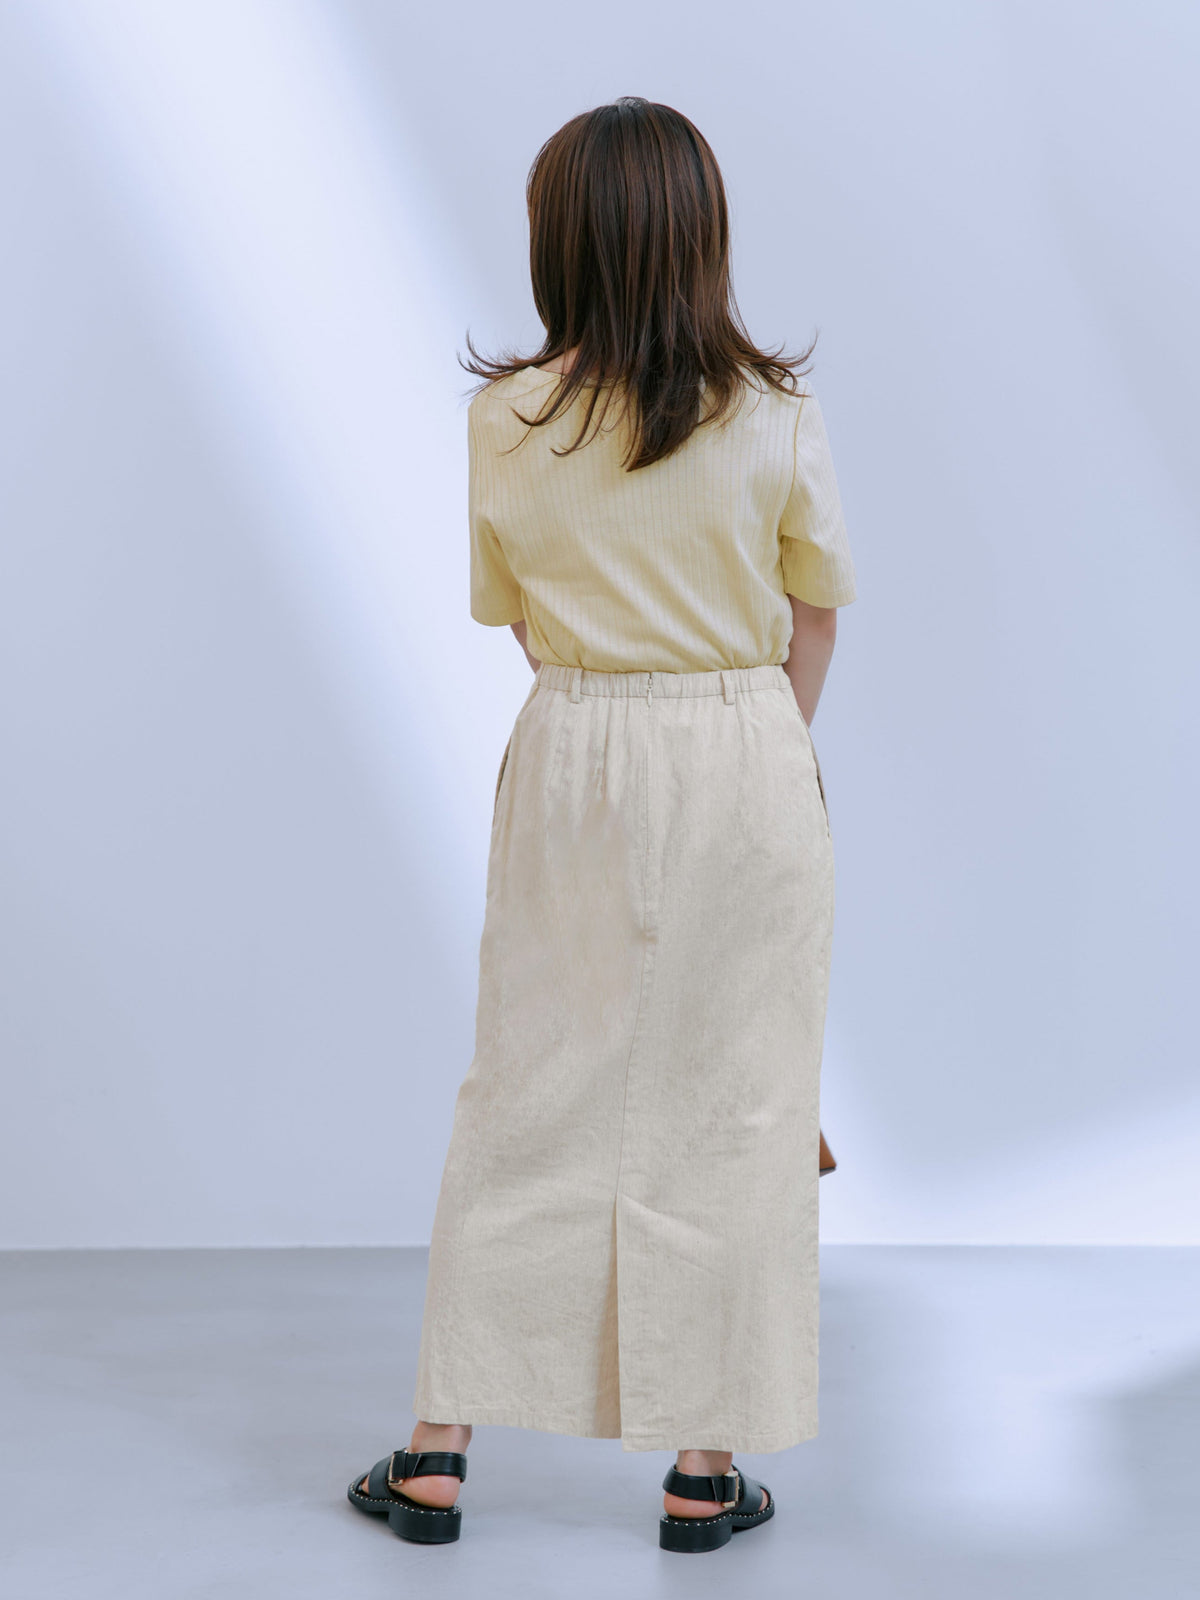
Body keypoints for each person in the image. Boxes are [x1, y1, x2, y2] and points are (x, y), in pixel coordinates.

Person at [348, 94, 857, 1555]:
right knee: (739, 1102)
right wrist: (759, 744)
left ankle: (436, 1455)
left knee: (529, 1087)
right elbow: (815, 615)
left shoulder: (504, 420)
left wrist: (611, 697)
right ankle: (703, 1470)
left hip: (574, 748)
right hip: (745, 746)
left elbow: (515, 617)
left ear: (557, 242)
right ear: (703, 236)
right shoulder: (776, 415)